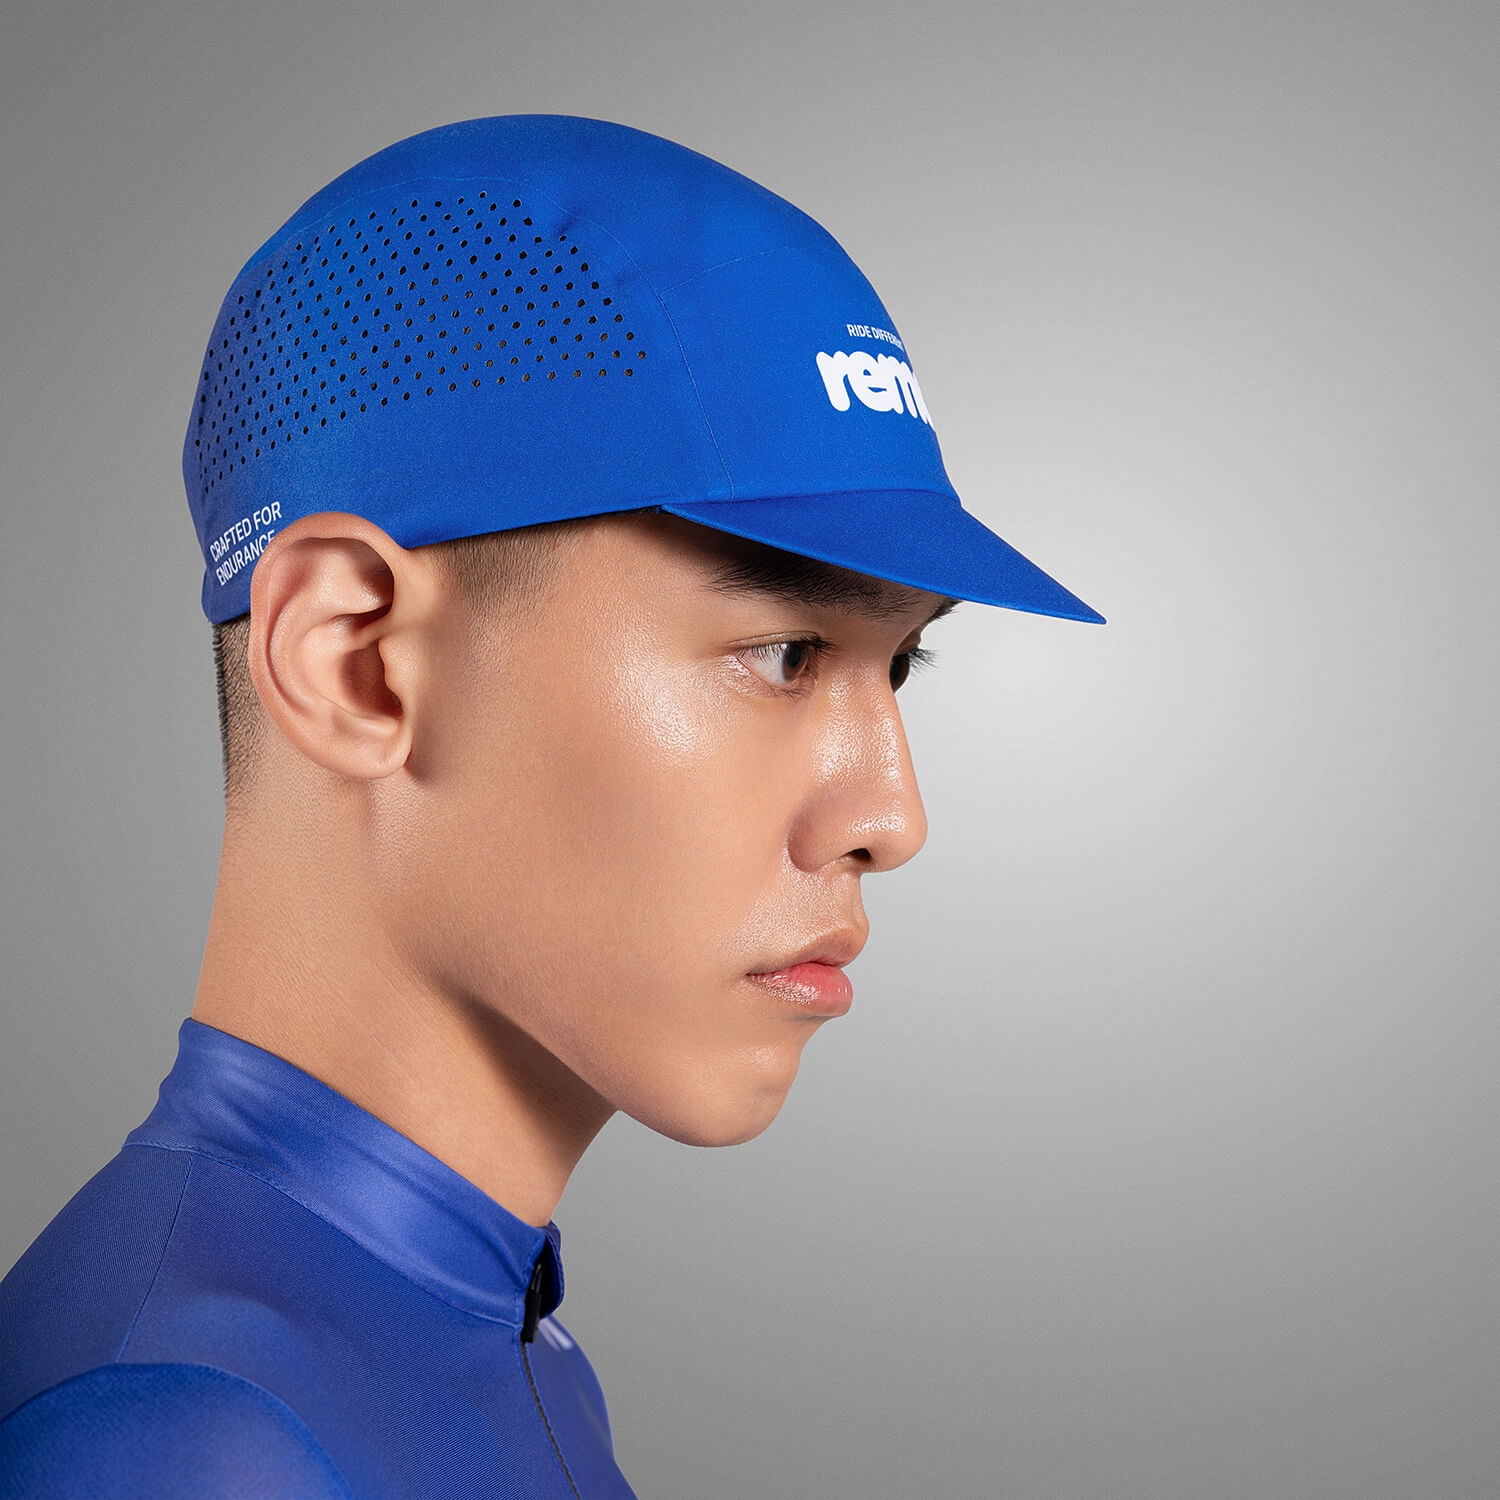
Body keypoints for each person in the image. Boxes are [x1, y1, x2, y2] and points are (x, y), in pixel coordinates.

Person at [0, 115, 1102, 1497]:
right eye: (786, 653)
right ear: (356, 662)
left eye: (901, 665)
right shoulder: (183, 1441)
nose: (893, 817)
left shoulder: (479, 1327)